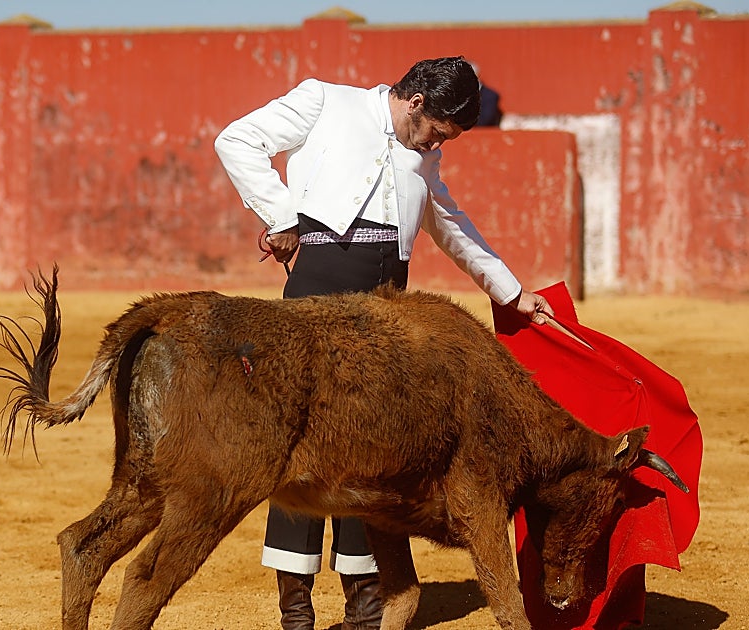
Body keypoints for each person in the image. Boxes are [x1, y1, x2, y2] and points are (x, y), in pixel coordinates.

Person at [213, 57, 553, 630]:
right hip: (318, 294)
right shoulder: (325, 101)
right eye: (439, 131)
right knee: (299, 446)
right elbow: (237, 139)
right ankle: (296, 613)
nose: (439, 144)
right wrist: (282, 217)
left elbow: (448, 221)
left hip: (389, 309)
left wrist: (510, 291)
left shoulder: (424, 155)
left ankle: (366, 609)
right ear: (416, 101)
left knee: (376, 453)